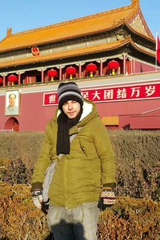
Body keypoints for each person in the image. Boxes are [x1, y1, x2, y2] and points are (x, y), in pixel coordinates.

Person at [31, 82, 116, 240]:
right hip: (58, 199)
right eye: (65, 103)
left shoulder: (94, 124)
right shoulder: (53, 127)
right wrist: (36, 184)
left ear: (81, 101)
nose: (70, 107)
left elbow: (107, 157)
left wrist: (109, 185)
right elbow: (44, 157)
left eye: (74, 102)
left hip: (85, 199)